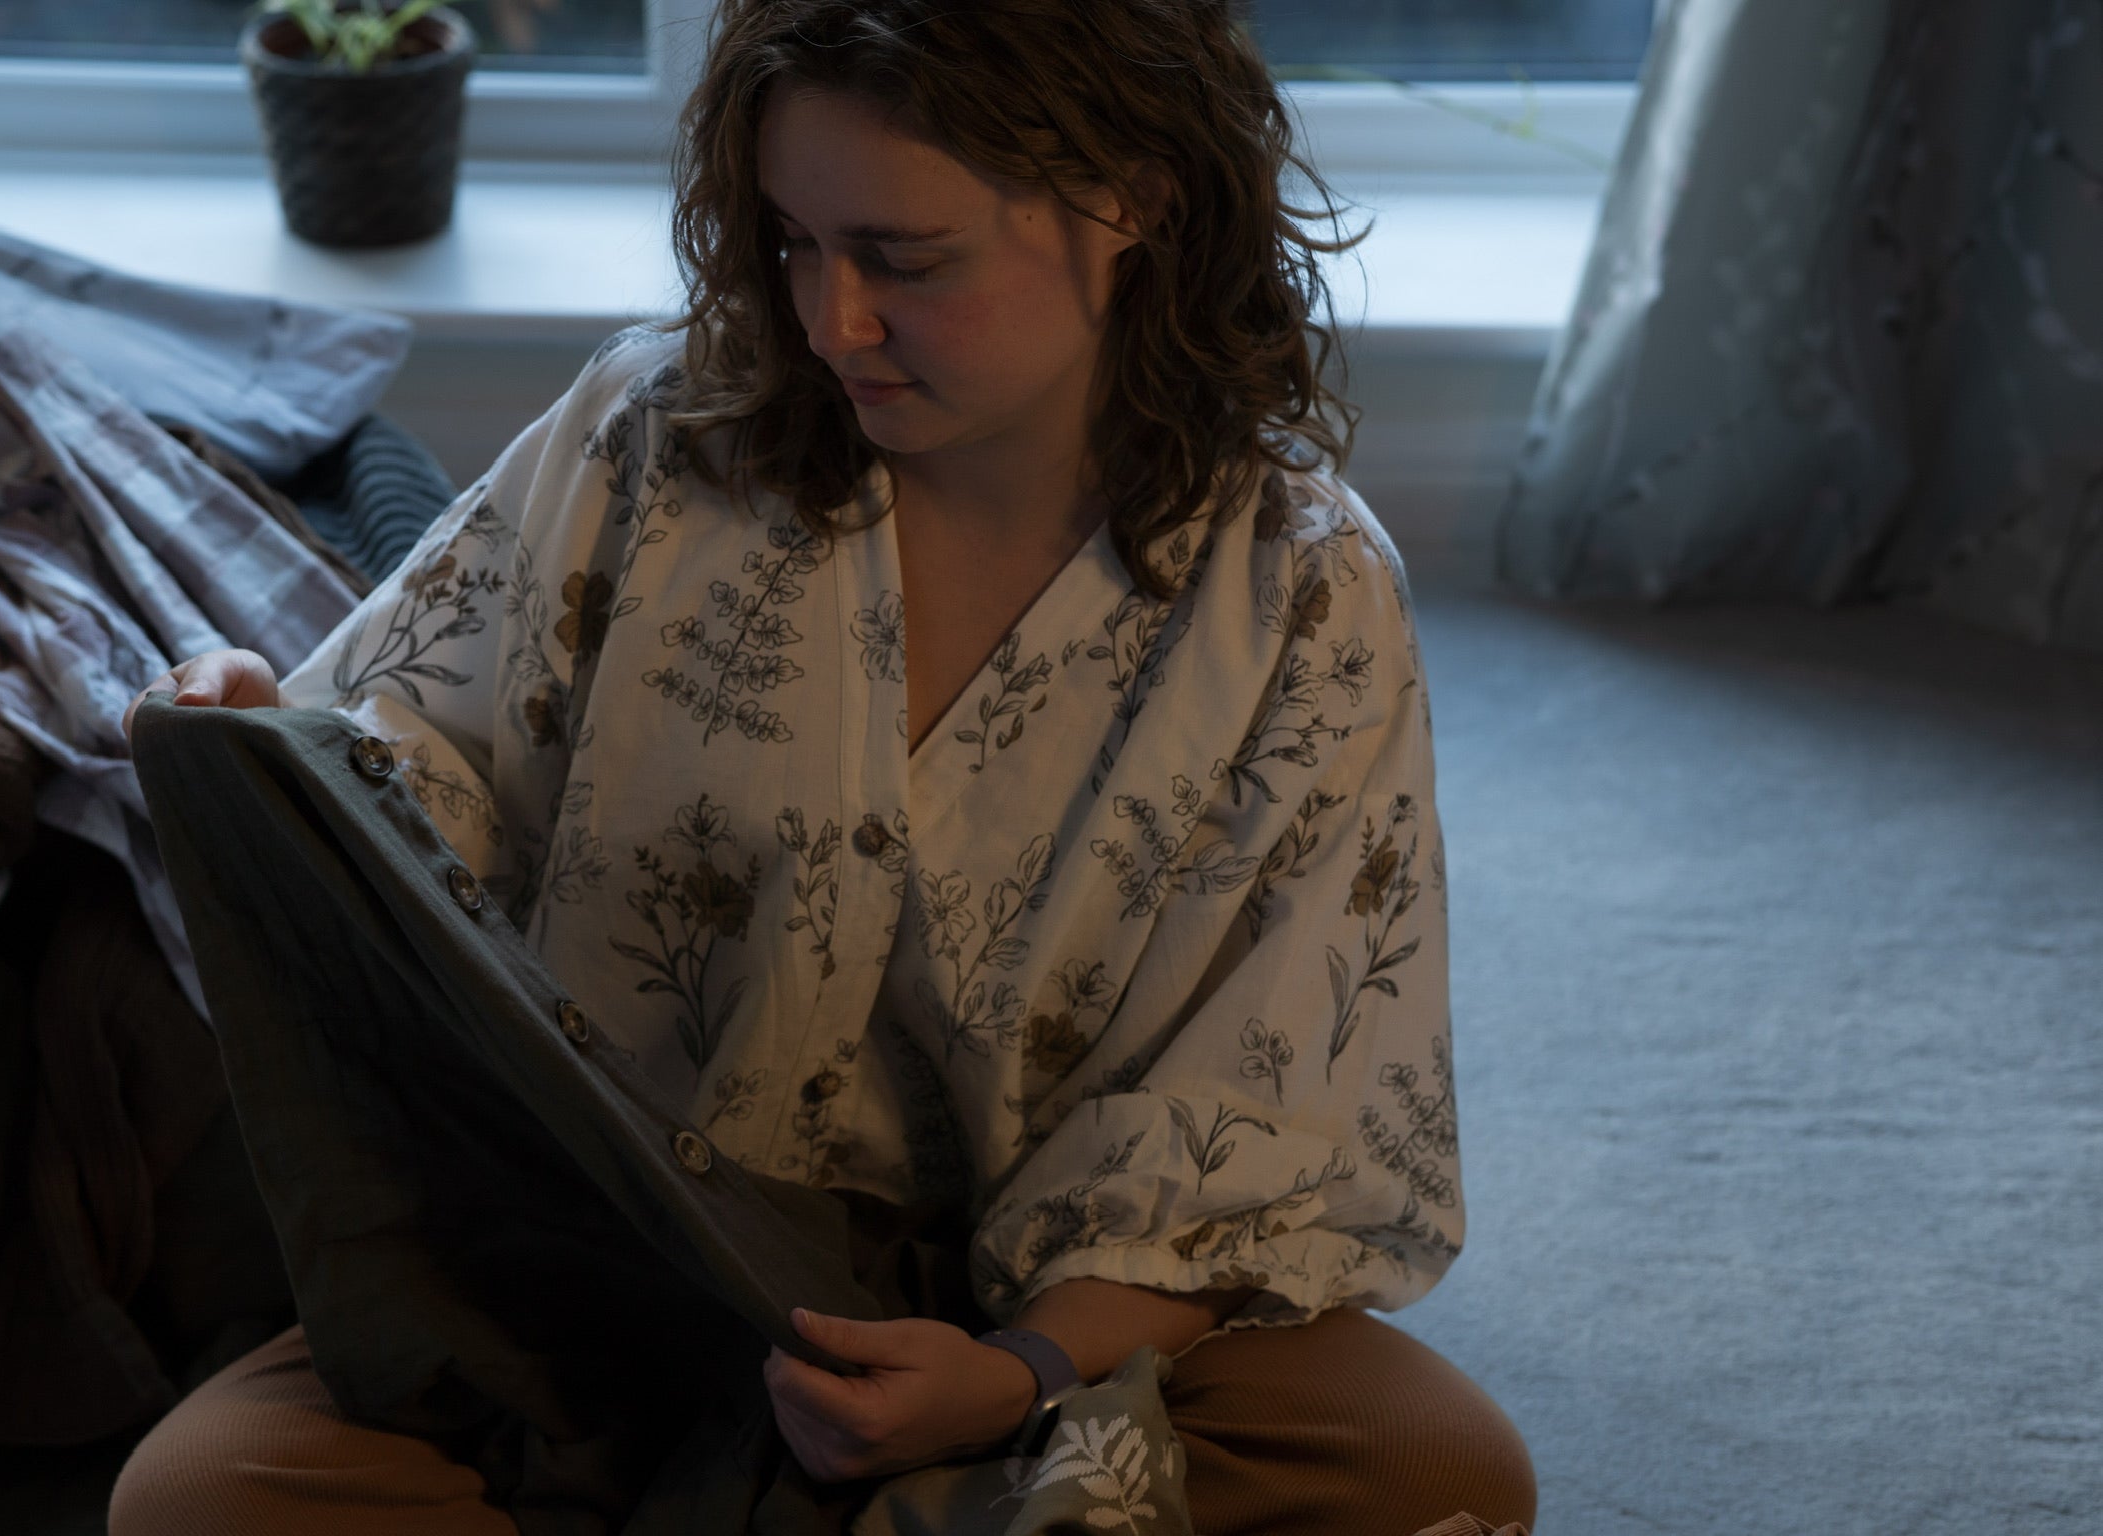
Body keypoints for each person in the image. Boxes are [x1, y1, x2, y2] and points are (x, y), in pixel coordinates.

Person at [109, 0, 1535, 1530]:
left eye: (901, 259)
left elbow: (1266, 1121)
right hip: (606, 1257)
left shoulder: (1298, 594)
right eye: (791, 240)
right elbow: (413, 784)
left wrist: (1019, 1373)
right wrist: (271, 736)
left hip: (1029, 1306)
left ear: (1134, 198)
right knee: (197, 1503)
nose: (826, 320)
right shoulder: (650, 434)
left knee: (1432, 1474)